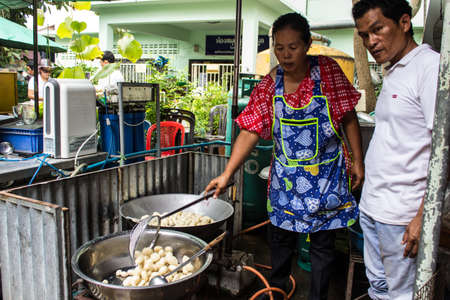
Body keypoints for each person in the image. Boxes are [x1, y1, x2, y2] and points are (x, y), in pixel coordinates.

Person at [205, 12, 364, 300]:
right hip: (286, 184)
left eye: (293, 47)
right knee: (279, 244)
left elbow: (348, 116)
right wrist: (227, 174)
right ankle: (276, 292)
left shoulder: (327, 71)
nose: (286, 54)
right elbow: (249, 131)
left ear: (307, 46)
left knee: (322, 249)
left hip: (325, 180)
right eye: (279, 47)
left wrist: (358, 161)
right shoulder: (270, 85)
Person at [352, 0, 440, 299]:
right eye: (364, 35)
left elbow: (445, 148)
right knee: (378, 288)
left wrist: (422, 215)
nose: (371, 42)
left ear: (404, 22)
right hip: (374, 207)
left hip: (402, 216)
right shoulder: (394, 69)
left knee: (402, 295)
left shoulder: (429, 67)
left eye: (377, 30)